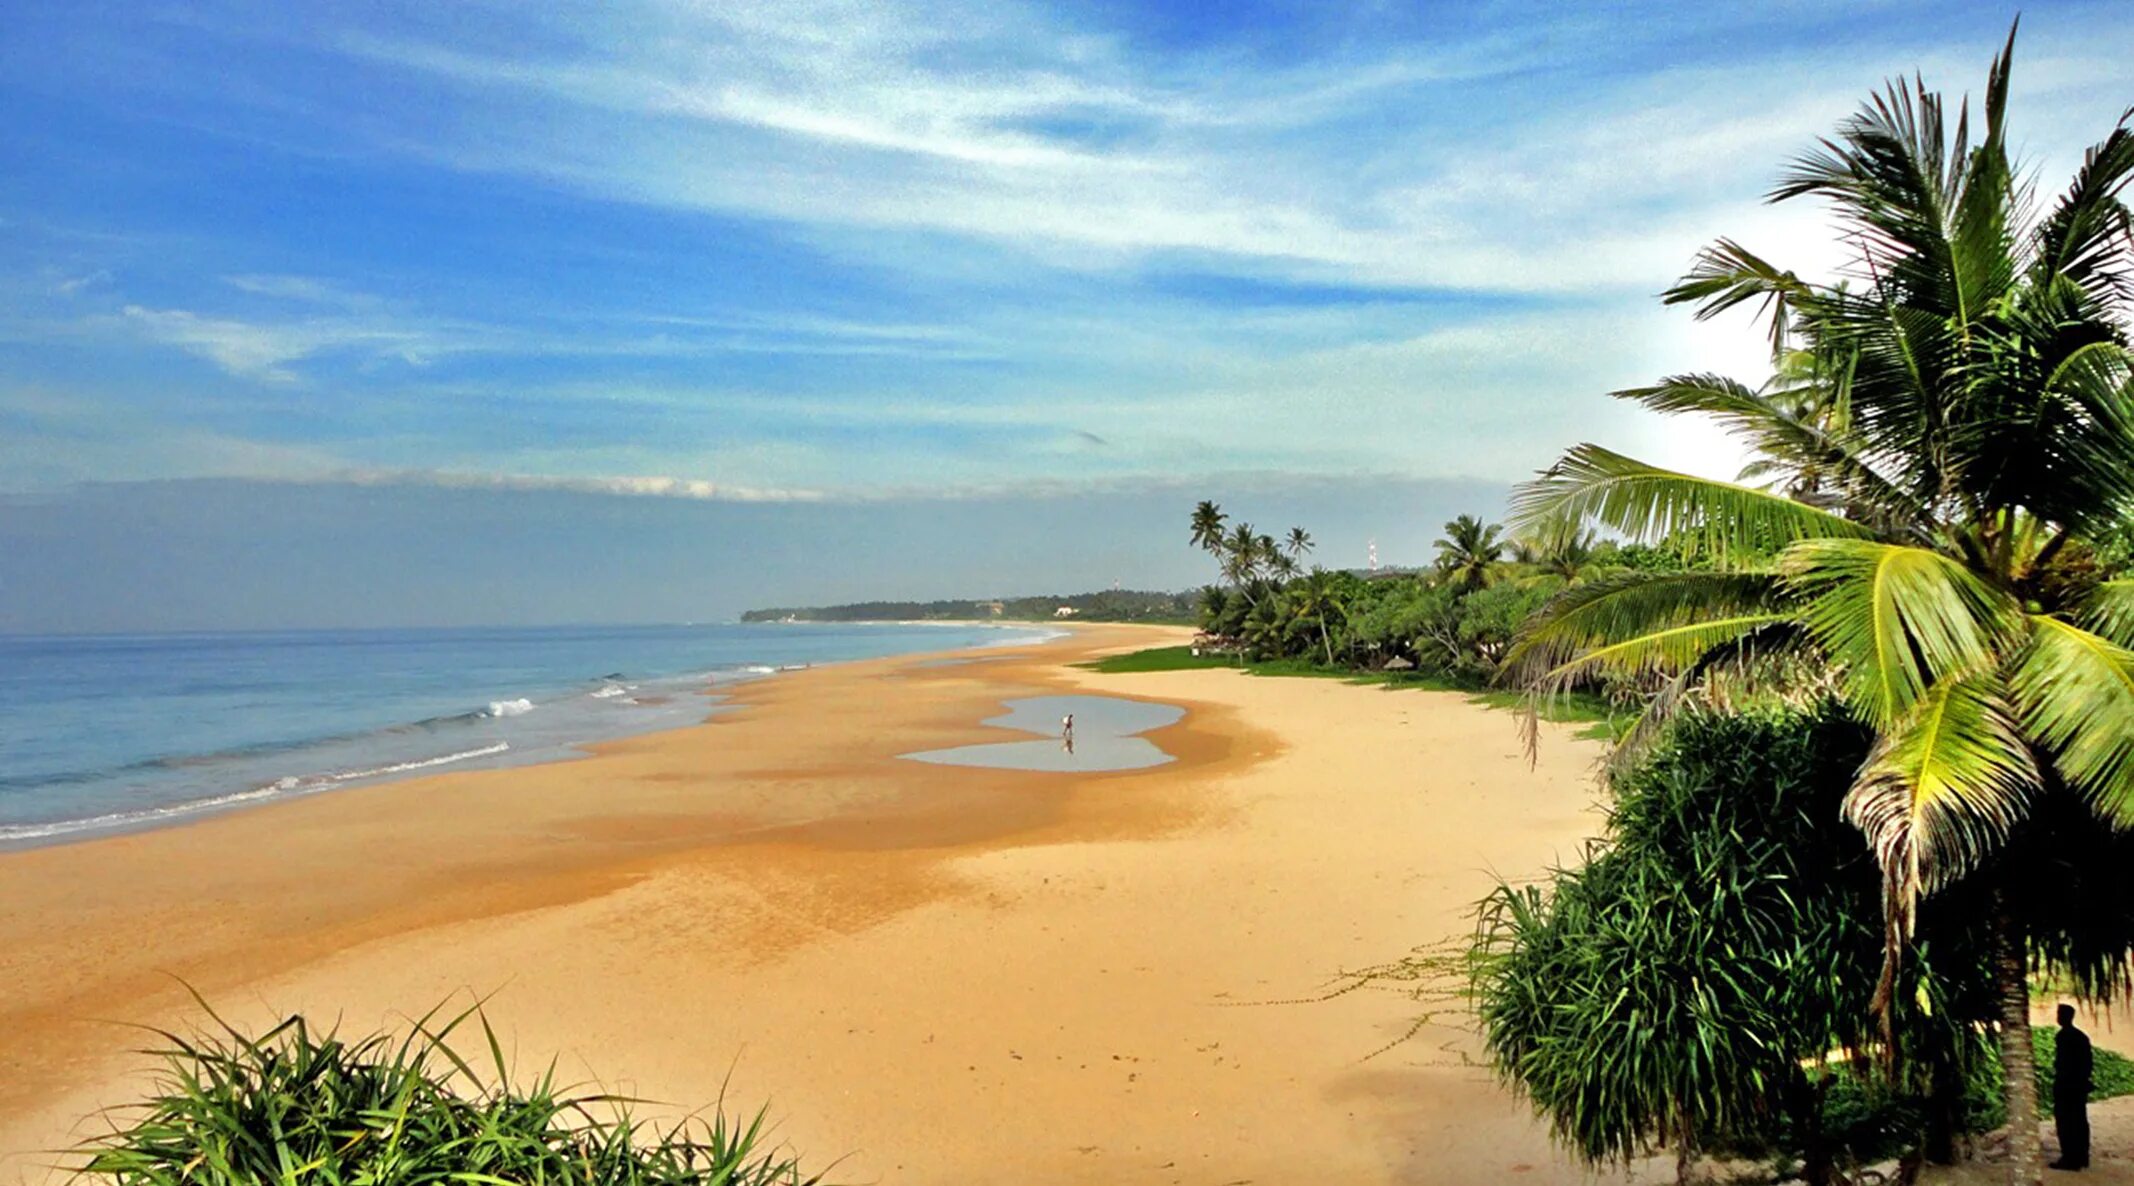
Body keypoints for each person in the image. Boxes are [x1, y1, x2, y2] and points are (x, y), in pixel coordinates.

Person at [2053, 1003, 2093, 1171]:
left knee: (2066, 1121)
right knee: (2079, 1120)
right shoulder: (2081, 1036)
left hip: (2067, 1085)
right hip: (2079, 1085)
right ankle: (2082, 1156)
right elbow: (2088, 1062)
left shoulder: (2064, 1036)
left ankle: (2070, 1158)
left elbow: (2063, 1064)